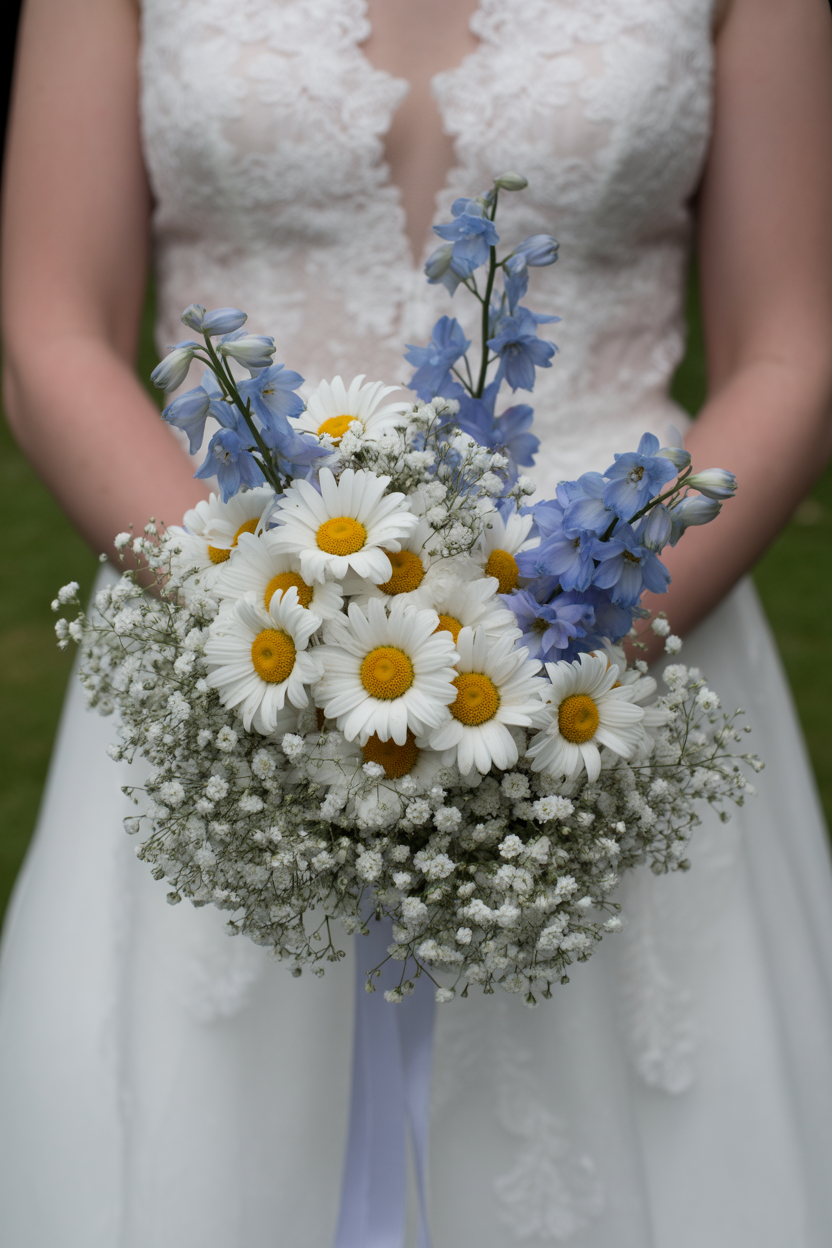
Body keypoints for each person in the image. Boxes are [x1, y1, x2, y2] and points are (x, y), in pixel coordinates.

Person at [2, 0, 832, 1243]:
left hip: (624, 631)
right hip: (229, 634)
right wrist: (275, 627)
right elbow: (53, 331)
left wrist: (565, 647)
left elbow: (791, 354)